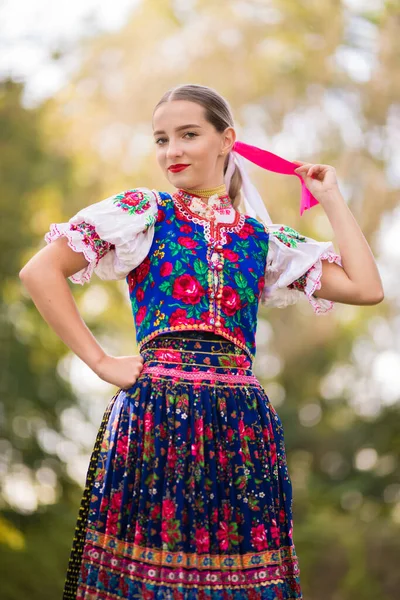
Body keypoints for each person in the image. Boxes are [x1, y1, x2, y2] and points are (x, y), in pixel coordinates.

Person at [19, 83, 384, 600]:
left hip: (240, 423)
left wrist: (331, 199)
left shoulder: (263, 240)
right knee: (152, 574)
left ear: (225, 140)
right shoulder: (144, 212)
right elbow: (40, 271)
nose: (173, 151)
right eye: (162, 139)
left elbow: (367, 289)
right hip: (158, 413)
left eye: (189, 135)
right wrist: (100, 362)